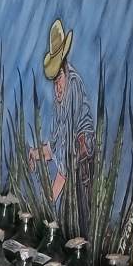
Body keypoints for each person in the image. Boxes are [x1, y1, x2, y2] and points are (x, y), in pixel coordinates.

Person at [29, 17, 95, 235]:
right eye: (54, 82)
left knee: (82, 228)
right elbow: (57, 145)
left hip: (82, 170)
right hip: (73, 171)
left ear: (65, 70)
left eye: (58, 80)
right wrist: (36, 153)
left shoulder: (73, 87)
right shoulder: (61, 99)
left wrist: (49, 197)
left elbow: (66, 158)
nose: (56, 88)